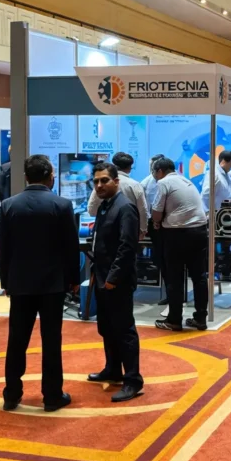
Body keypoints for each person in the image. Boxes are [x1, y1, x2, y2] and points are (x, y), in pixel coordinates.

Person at [0, 154, 80, 412]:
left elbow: (3, 248)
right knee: (51, 341)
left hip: (19, 283)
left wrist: (6, 281)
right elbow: (70, 247)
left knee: (16, 340)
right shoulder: (62, 205)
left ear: (26, 176)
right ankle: (52, 396)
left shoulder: (9, 205)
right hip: (52, 285)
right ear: (50, 176)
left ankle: (11, 394)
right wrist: (74, 279)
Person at [87, 162, 144, 402]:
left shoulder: (125, 208)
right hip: (102, 277)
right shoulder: (104, 206)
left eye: (104, 180)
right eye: (96, 181)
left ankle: (133, 380)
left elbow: (127, 247)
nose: (99, 185)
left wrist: (113, 278)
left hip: (116, 281)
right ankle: (112, 369)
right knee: (107, 327)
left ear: (116, 181)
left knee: (123, 330)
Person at [150, 157, 208, 332]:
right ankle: (200, 319)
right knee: (199, 277)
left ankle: (174, 320)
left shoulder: (163, 183)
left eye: (154, 172)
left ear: (160, 171)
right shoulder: (185, 180)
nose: (154, 176)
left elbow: (156, 213)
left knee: (174, 278)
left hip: (177, 234)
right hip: (200, 231)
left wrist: (156, 223)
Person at [87, 152, 147, 238]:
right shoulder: (135, 185)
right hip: (130, 228)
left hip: (105, 229)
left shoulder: (101, 183)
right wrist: (143, 229)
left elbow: (92, 210)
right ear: (130, 168)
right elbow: (142, 209)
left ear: (113, 166)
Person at [140, 154, 167, 305]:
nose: (153, 170)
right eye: (151, 167)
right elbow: (143, 208)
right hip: (154, 225)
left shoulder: (170, 182)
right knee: (160, 258)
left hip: (170, 224)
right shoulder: (145, 184)